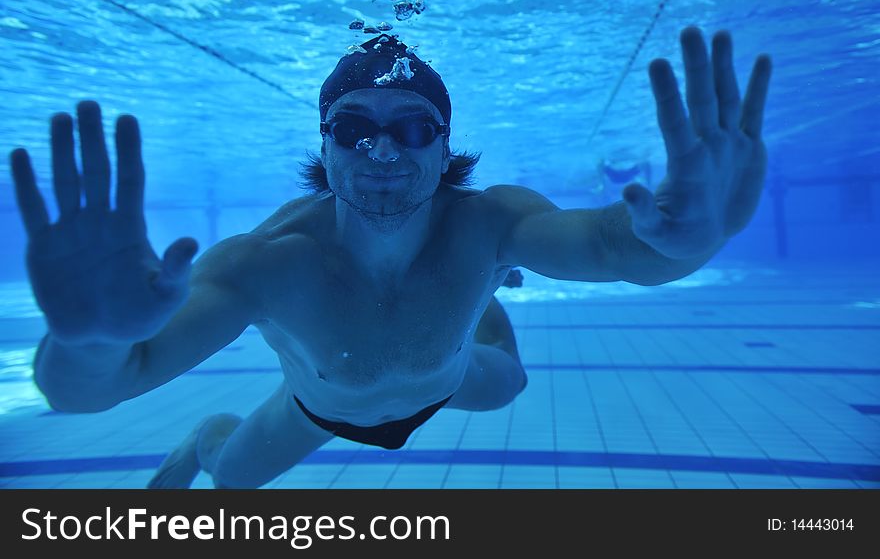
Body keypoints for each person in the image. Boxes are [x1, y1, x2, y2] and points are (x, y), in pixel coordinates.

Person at [10, 27, 772, 488]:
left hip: (453, 378)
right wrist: (91, 340)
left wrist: (689, 239)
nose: (381, 149)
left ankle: (480, 299)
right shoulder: (264, 264)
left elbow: (616, 245)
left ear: (445, 149)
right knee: (232, 478)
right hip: (319, 406)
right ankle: (204, 435)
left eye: (412, 127)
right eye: (352, 128)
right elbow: (97, 389)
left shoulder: (489, 219)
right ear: (325, 146)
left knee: (507, 381)